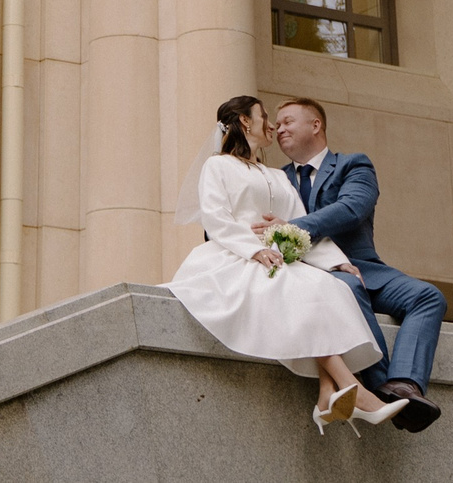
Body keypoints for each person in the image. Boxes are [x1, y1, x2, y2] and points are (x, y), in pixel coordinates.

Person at [164, 95, 409, 434]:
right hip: (236, 255)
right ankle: (356, 392)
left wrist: (337, 263)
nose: (273, 126)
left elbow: (299, 224)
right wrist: (253, 250)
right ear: (245, 122)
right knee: (295, 287)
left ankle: (327, 395)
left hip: (279, 256)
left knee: (328, 285)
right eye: (265, 117)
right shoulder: (217, 166)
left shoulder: (277, 177)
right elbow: (216, 219)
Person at [271, 97, 447, 432]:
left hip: (363, 267)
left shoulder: (354, 165)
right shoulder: (274, 180)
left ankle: (403, 384)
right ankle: (378, 387)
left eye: (287, 121)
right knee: (347, 288)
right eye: (276, 125)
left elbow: (353, 207)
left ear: (315, 125)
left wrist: (290, 229)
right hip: (305, 275)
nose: (279, 129)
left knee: (428, 296)